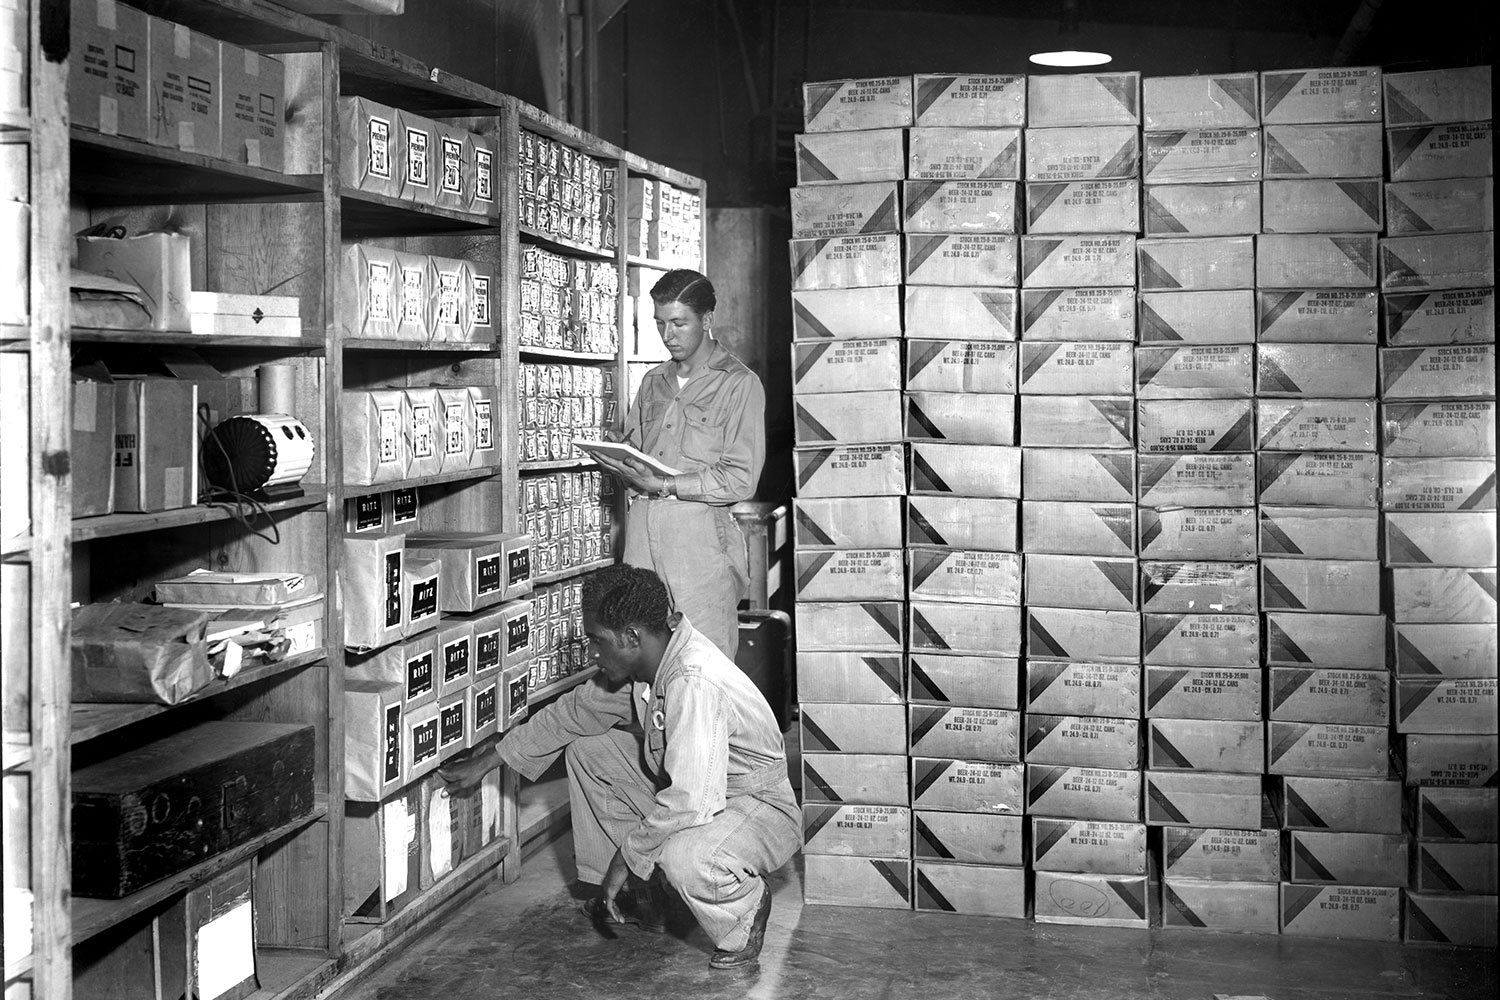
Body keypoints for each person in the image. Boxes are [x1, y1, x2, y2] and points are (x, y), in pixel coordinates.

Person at [440, 565, 800, 970]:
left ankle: (744, 913)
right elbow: (575, 712)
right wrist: (491, 759)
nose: (591, 653)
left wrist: (626, 857)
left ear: (631, 637)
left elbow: (689, 803)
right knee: (589, 751)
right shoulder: (648, 664)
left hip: (757, 808)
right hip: (707, 792)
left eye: (596, 641)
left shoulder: (692, 681)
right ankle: (649, 898)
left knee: (687, 857)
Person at [591, 269, 765, 659]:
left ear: (706, 320)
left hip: (699, 543)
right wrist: (622, 458)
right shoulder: (653, 381)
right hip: (641, 539)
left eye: (679, 323)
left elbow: (741, 479)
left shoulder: (739, 384)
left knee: (704, 662)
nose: (668, 335)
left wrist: (666, 486)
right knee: (639, 657)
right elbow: (640, 463)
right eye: (659, 324)